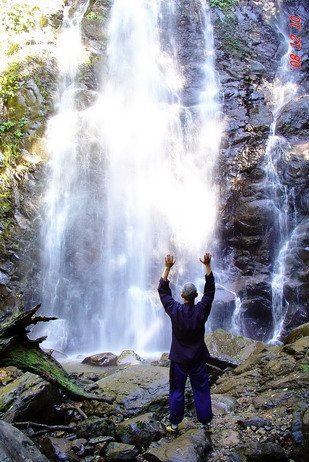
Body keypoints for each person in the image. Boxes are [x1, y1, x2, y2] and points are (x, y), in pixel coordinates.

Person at [158, 253, 215, 435]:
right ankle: (205, 424)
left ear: (182, 295)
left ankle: (174, 425)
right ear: (196, 296)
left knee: (176, 391)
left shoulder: (174, 310)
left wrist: (167, 267)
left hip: (179, 359)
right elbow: (211, 291)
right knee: (201, 389)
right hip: (198, 358)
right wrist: (207, 265)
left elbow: (162, 290)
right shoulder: (202, 310)